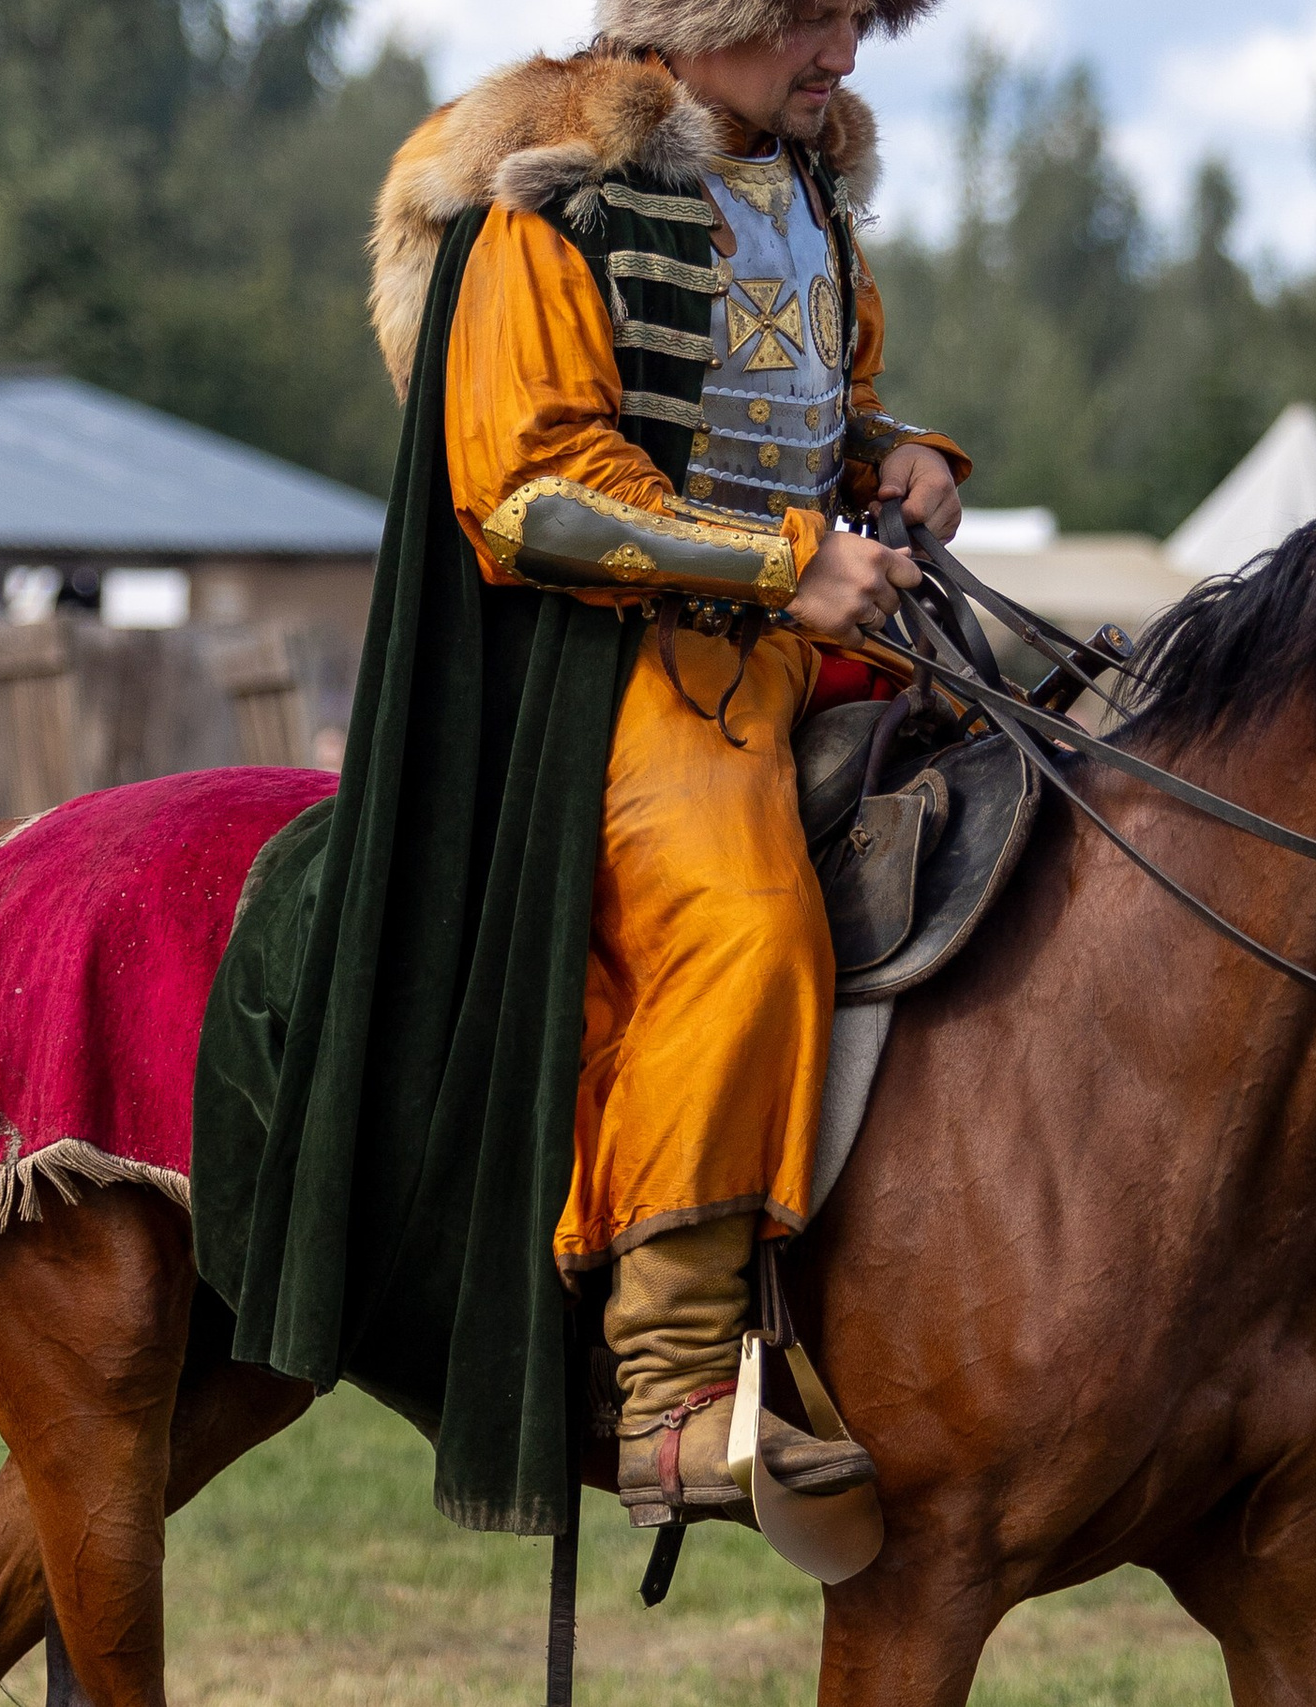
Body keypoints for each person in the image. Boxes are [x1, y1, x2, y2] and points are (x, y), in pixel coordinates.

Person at [339, 0, 968, 1530]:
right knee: (744, 926)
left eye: (857, 20)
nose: (843, 56)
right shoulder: (553, 195)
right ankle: (673, 1392)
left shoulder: (805, 186)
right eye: (811, 18)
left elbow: (794, 408)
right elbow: (530, 498)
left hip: (805, 645)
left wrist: (890, 451)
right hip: (620, 674)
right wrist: (787, 563)